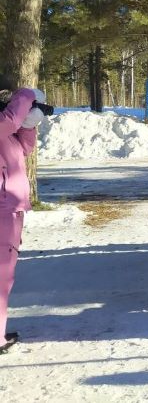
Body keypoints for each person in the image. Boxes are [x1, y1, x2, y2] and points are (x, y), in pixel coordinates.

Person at [0, 75, 46, 354]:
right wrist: (26, 95)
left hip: (11, 207)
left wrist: (30, 124)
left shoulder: (7, 132)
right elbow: (8, 121)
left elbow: (23, 148)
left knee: (5, 276)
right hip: (3, 208)